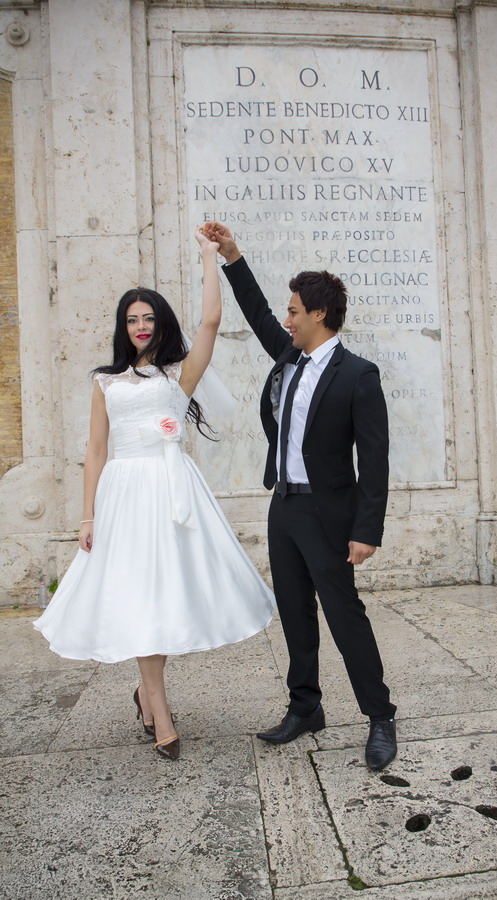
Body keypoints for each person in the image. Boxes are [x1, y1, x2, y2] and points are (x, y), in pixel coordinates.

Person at [34, 227, 275, 760]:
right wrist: (88, 516)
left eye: (148, 318)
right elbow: (96, 452)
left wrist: (210, 258)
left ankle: (147, 694)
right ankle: (159, 712)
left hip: (171, 494)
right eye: (132, 320)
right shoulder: (106, 382)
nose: (141, 327)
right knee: (141, 597)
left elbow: (211, 321)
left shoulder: (176, 375)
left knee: (164, 598)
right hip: (124, 497)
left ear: (160, 323)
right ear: (124, 328)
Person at [202, 222, 397, 771]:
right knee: (294, 612)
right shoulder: (288, 358)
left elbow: (375, 460)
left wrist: (366, 530)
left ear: (319, 315)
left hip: (329, 513)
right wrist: (232, 257)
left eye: (294, 311)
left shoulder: (359, 375)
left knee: (344, 615)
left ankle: (380, 715)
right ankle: (305, 708)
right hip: (284, 506)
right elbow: (256, 311)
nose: (286, 319)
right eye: (287, 311)